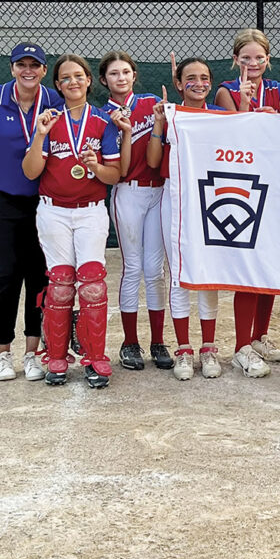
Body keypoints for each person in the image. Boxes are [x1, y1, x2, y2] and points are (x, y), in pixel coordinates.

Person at [0, 43, 62, 382]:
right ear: (12, 68)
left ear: (44, 71)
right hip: (3, 199)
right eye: (22, 64)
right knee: (6, 276)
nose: (28, 70)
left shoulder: (53, 100)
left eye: (35, 64)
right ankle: (3, 353)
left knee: (37, 276)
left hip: (44, 201)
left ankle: (32, 353)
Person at [22, 54, 121, 388]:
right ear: (58, 85)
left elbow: (114, 175)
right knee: (61, 285)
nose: (73, 82)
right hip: (54, 210)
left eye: (79, 76)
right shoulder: (49, 120)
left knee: (92, 284)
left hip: (91, 209)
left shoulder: (103, 121)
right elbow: (31, 171)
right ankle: (57, 358)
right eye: (65, 78)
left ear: (89, 80)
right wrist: (39, 135)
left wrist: (95, 166)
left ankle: (95, 358)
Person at [147, 58, 236, 381]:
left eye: (204, 78)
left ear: (210, 83)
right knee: (179, 273)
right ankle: (183, 347)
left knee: (207, 271)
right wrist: (159, 124)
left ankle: (209, 347)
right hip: (175, 197)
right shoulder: (171, 115)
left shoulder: (221, 117)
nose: (198, 83)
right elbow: (155, 163)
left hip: (211, 198)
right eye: (190, 78)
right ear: (179, 83)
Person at [215, 29, 280, 366]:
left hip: (275, 180)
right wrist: (246, 103)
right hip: (242, 185)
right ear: (235, 60)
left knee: (268, 265)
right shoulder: (225, 91)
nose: (253, 63)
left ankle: (260, 336)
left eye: (259, 57)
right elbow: (235, 133)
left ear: (268, 60)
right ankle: (241, 344)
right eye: (246, 58)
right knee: (248, 266)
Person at [99, 51, 173, 372]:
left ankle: (158, 340)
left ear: (134, 74)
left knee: (155, 270)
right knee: (133, 268)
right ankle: (130, 342)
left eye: (126, 72)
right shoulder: (103, 115)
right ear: (103, 80)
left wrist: (175, 94)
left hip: (159, 191)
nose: (121, 77)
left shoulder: (150, 101)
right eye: (114, 73)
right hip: (128, 192)